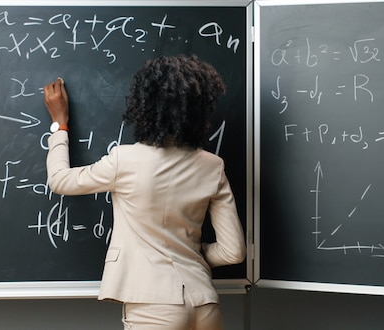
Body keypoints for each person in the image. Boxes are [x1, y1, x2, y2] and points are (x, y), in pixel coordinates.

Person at [43, 54, 246, 330]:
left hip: (153, 307)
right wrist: (189, 253)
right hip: (205, 304)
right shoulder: (212, 166)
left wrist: (60, 125)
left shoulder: (123, 160)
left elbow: (60, 180)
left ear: (145, 105)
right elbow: (233, 252)